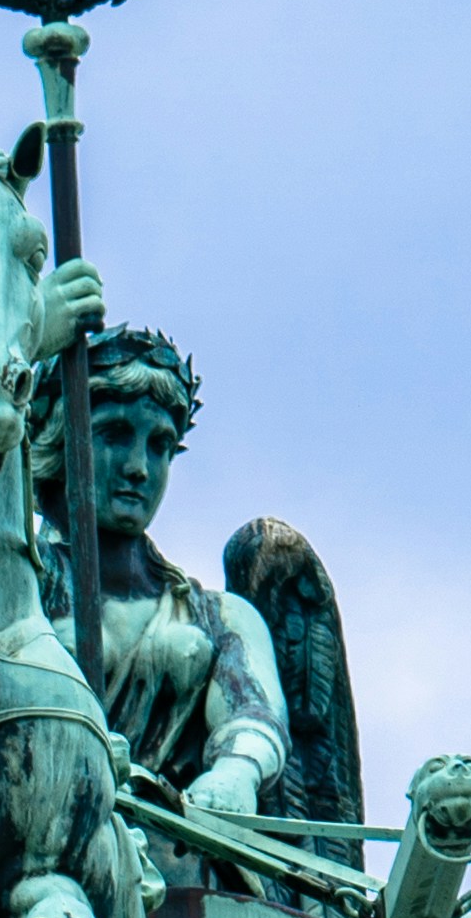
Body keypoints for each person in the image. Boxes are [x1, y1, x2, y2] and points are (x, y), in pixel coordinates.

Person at [25, 321, 301, 832]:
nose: (138, 467)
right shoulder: (15, 590)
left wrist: (237, 772)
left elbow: (253, 714)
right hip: (42, 836)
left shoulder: (217, 616)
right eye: (113, 434)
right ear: (61, 441)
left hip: (175, 856)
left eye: (159, 445)